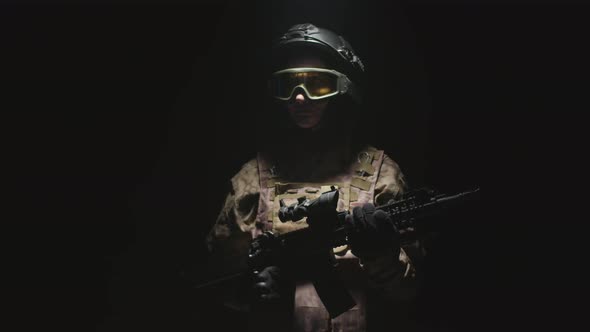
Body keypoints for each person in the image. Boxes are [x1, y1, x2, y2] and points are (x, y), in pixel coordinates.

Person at [205, 23, 422, 332]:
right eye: (288, 86)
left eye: (316, 85)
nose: (300, 99)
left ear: (343, 88)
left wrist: (383, 257)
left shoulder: (380, 174)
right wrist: (249, 289)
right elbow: (216, 279)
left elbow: (409, 291)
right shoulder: (252, 179)